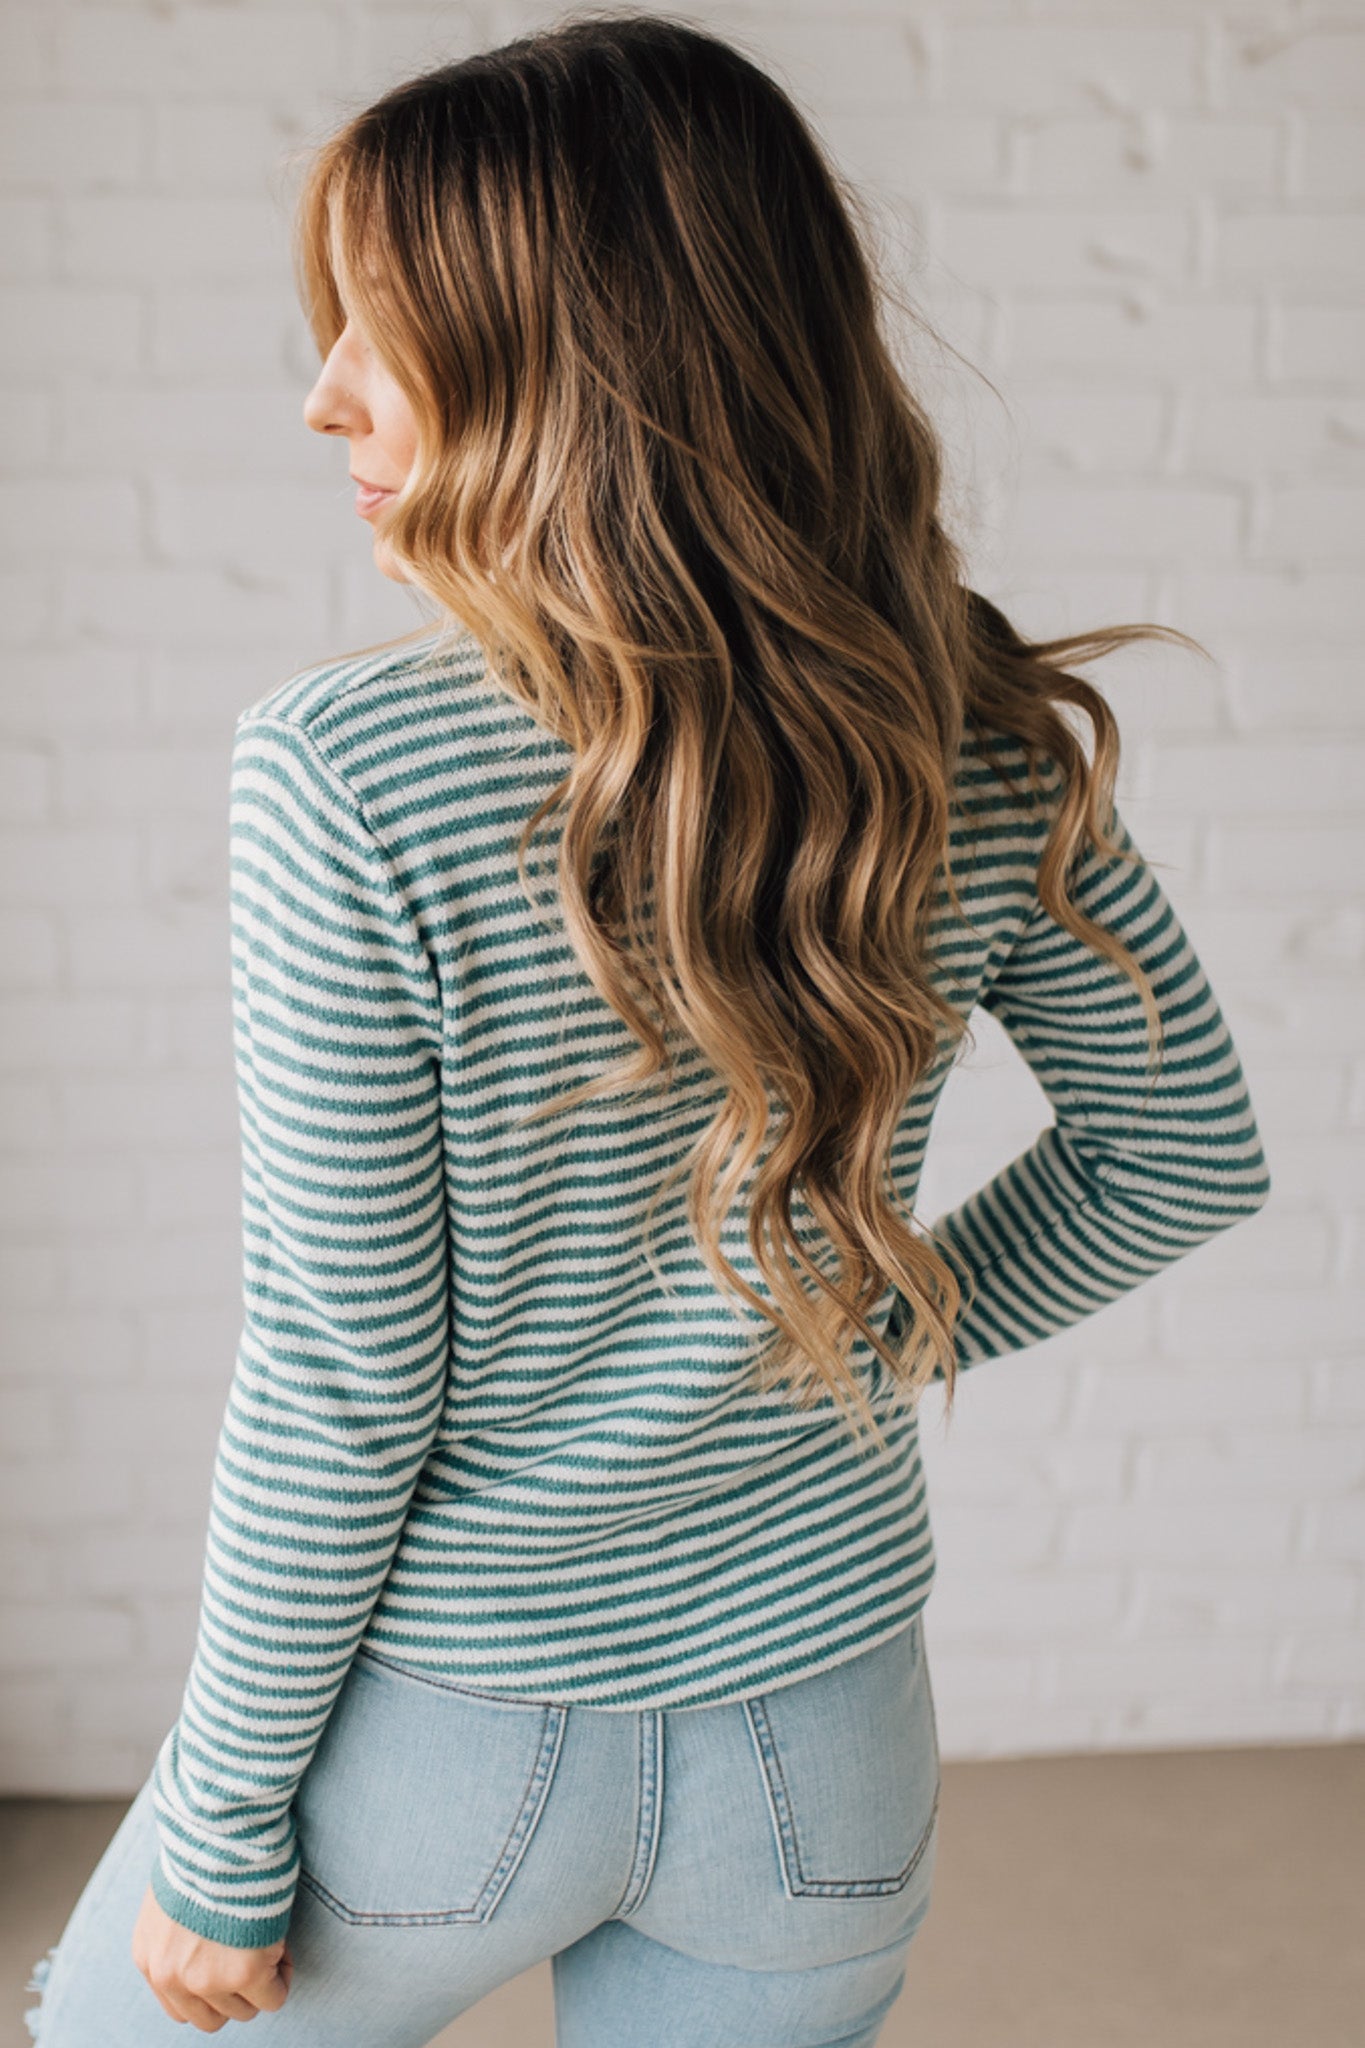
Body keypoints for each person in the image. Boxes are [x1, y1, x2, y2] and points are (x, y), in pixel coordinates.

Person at [23, 11, 1271, 2045]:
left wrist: (228, 1813)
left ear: (572, 365)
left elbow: (345, 1380)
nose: (323, 393)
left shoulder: (346, 772)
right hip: (827, 1733)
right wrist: (865, 1313)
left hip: (440, 1743)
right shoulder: (961, 738)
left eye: (377, 324)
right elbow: (1180, 1149)